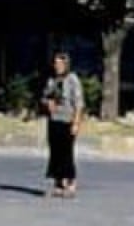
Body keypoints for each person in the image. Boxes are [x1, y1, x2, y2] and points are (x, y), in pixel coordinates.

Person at [41, 52, 84, 198]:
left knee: (67, 152)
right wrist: (48, 102)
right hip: (54, 119)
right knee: (55, 152)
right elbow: (45, 96)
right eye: (55, 63)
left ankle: (71, 182)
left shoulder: (72, 80)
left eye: (60, 64)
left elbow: (78, 103)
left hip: (67, 119)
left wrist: (76, 122)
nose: (57, 66)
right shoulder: (52, 80)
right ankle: (58, 183)